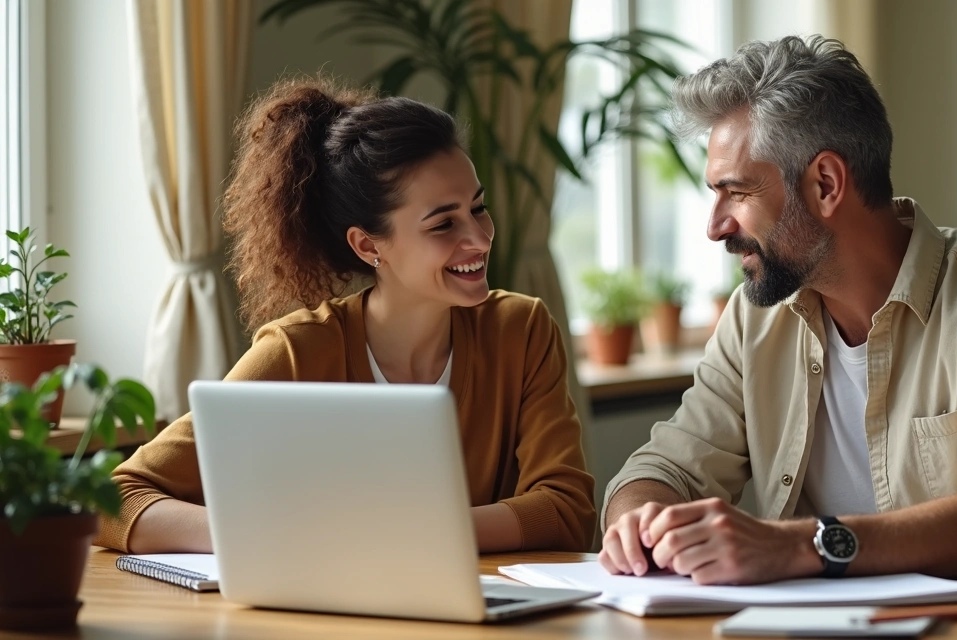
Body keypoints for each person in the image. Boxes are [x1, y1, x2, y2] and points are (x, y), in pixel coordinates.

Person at [599, 36, 957, 585]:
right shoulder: (754, 318)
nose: (716, 226)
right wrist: (640, 525)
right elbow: (666, 468)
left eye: (736, 192)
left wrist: (799, 545)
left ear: (825, 184)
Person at [95, 78, 595, 555]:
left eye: (478, 208)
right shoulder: (297, 352)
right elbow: (111, 502)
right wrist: (274, 533)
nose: (479, 237)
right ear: (368, 244)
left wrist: (395, 533)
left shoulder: (521, 330)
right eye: (443, 222)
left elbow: (567, 512)